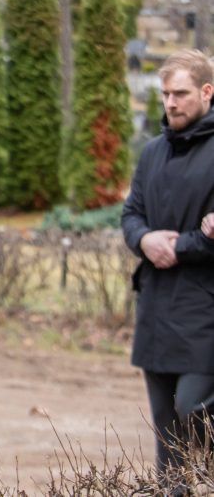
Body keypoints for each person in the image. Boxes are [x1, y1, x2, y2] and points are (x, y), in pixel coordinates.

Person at [122, 48, 214, 479]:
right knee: (167, 434)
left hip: (204, 306)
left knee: (193, 408)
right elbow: (131, 215)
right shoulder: (152, 152)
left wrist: (182, 247)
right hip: (156, 307)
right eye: (165, 94)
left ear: (207, 91)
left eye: (180, 93)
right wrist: (145, 238)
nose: (171, 103)